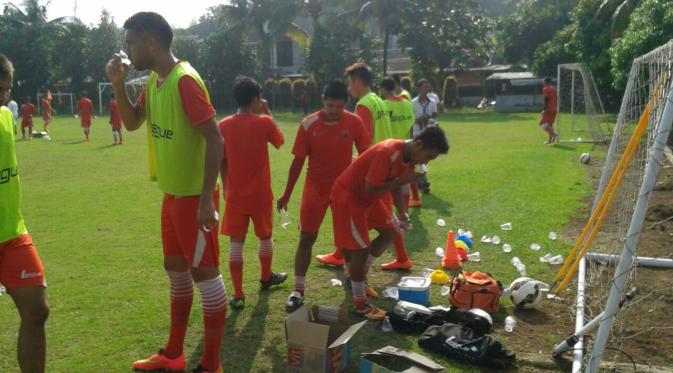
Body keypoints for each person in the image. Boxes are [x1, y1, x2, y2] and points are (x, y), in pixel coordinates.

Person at [106, 12, 226, 373]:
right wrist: (117, 84)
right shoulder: (154, 83)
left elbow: (216, 139)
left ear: (151, 42)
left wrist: (206, 199)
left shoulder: (184, 81)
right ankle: (174, 354)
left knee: (206, 276)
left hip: (194, 199)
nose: (128, 51)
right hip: (172, 196)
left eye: (131, 43)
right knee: (175, 270)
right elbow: (131, 122)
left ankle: (212, 364)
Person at [331, 127, 449, 319]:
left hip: (368, 198)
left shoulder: (408, 157)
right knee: (360, 249)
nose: (426, 162)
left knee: (392, 232)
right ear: (418, 144)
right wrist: (405, 180)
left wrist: (402, 213)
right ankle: (360, 304)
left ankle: (358, 275)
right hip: (349, 197)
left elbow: (396, 185)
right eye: (428, 157)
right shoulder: (386, 152)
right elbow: (372, 188)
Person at [279, 80, 369, 312]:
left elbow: (368, 156)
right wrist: (287, 194)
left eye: (339, 107)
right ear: (323, 102)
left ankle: (350, 276)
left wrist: (366, 188)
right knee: (306, 239)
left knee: (348, 241)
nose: (334, 112)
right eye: (330, 106)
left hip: (345, 190)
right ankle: (298, 290)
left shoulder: (354, 122)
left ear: (345, 105)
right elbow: (297, 162)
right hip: (315, 189)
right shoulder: (308, 125)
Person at [218, 76, 287, 311]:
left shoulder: (223, 125)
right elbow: (280, 141)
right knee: (265, 237)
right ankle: (266, 277)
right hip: (259, 194)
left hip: (235, 194)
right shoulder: (264, 122)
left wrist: (225, 185)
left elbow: (221, 161)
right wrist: (268, 112)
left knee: (236, 243)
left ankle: (238, 295)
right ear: (257, 100)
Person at [0, 52, 50, 373]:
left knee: (37, 311)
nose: (3, 97)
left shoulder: (5, 116)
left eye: (6, 90)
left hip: (12, 233)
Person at [378, 76, 416, 270]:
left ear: (384, 90)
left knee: (387, 198)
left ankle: (400, 219)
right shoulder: (407, 104)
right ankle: (404, 215)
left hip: (389, 152)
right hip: (406, 150)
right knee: (404, 186)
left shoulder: (384, 105)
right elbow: (410, 130)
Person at [412, 79, 438, 195]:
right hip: (417, 133)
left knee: (425, 159)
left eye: (427, 87)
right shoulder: (412, 103)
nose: (426, 89)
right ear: (419, 88)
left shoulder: (432, 102)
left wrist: (430, 120)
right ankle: (424, 181)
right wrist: (417, 120)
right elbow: (410, 118)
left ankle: (419, 180)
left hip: (428, 134)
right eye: (424, 87)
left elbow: (434, 116)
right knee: (420, 158)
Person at [540, 77, 558, 145]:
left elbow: (546, 99)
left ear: (545, 82)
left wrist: (544, 109)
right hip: (554, 108)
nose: (543, 83)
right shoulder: (553, 88)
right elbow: (556, 98)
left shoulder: (546, 89)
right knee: (549, 125)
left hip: (549, 109)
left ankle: (554, 135)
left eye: (543, 81)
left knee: (542, 124)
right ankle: (550, 140)